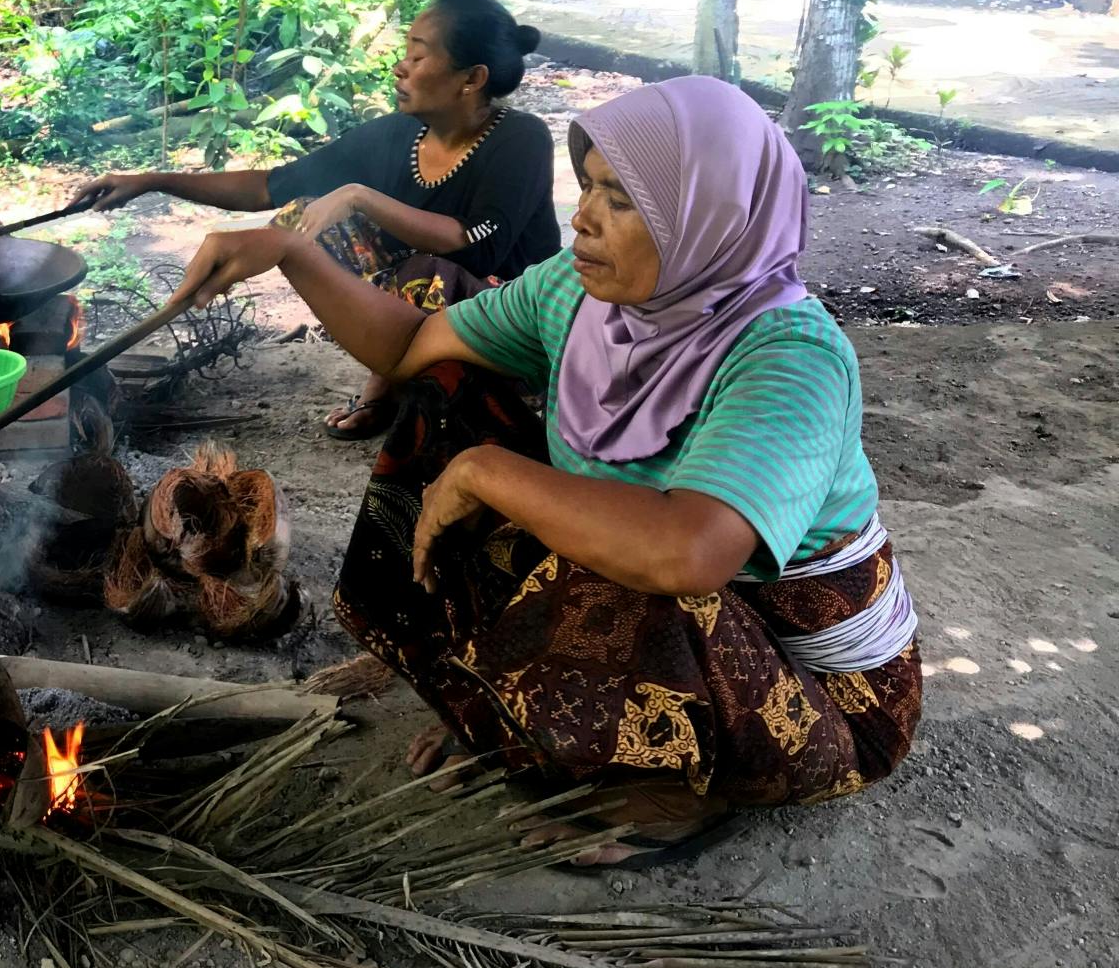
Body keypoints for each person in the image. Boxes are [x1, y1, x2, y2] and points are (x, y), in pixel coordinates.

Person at [167, 75, 921, 865]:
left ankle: (668, 794)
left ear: (713, 218)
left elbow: (689, 552)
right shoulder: (579, 294)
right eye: (589, 185)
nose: (584, 217)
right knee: (448, 395)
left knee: (613, 548)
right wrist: (288, 251)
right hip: (685, 615)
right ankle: (506, 707)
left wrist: (488, 471)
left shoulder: (789, 358)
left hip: (812, 695)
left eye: (623, 202)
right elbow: (410, 346)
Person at [70, 0, 561, 440]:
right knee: (307, 217)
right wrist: (152, 180)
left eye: (417, 55)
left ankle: (426, 397)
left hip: (510, 327)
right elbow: (272, 185)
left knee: (419, 265)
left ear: (472, 79)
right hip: (426, 320)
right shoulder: (397, 136)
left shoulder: (521, 140)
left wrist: (357, 195)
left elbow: (471, 241)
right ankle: (399, 380)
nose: (399, 67)